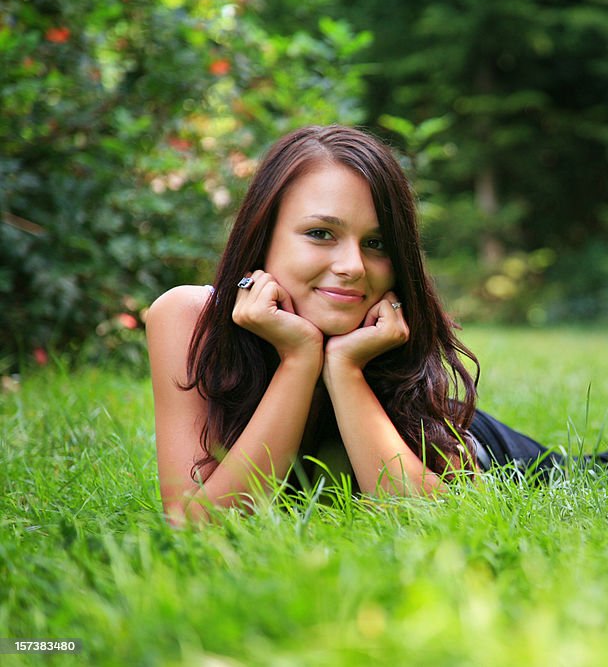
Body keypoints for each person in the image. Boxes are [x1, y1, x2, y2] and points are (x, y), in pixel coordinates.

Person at [147, 125, 573, 526]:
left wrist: (345, 369)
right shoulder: (187, 317)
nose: (353, 267)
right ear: (262, 235)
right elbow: (195, 522)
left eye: (376, 243)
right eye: (320, 233)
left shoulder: (389, 338)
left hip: (480, 448)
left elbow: (437, 523)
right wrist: (299, 359)